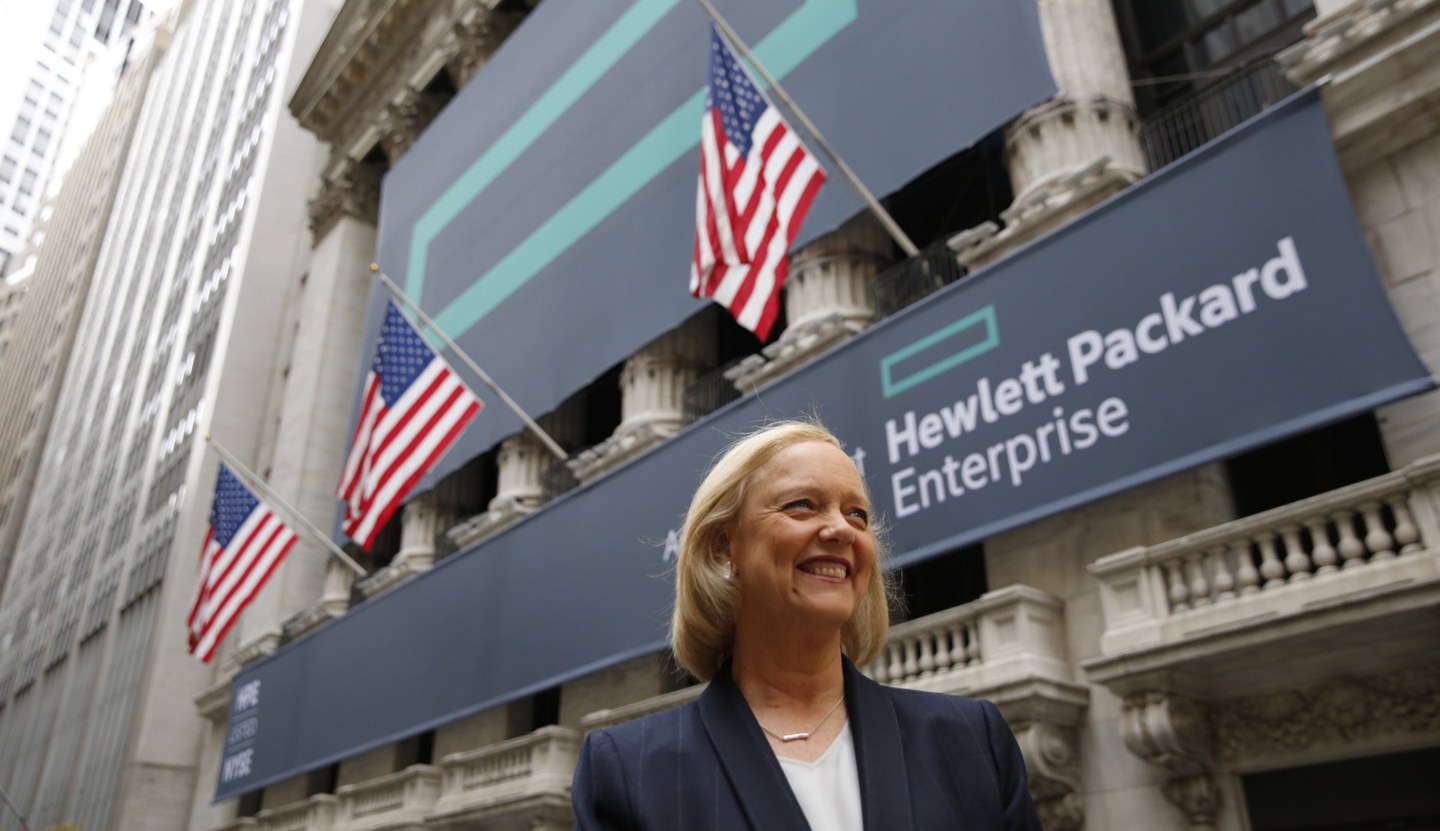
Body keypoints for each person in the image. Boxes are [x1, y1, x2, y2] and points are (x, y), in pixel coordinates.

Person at [571, 420, 1043, 830]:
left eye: (856, 513)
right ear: (723, 548)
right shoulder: (628, 770)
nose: (840, 529)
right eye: (802, 505)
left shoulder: (969, 739)